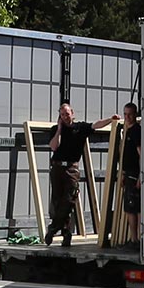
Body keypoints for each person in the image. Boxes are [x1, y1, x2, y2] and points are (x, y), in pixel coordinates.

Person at [46, 103, 120, 247]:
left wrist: (111, 120)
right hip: (57, 167)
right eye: (62, 115)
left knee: (69, 199)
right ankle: (66, 232)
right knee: (58, 200)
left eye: (67, 114)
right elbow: (54, 146)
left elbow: (96, 125)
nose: (65, 117)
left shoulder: (80, 127)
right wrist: (59, 129)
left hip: (71, 168)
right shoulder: (56, 130)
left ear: (72, 113)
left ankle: (54, 227)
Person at [116, 102, 144, 248]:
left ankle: (136, 240)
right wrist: (123, 174)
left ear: (135, 114)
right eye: (125, 114)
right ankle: (134, 239)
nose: (127, 117)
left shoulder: (136, 131)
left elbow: (141, 154)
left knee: (134, 209)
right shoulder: (127, 130)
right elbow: (126, 156)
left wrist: (141, 175)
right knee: (130, 209)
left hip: (135, 174)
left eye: (130, 114)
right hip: (129, 174)